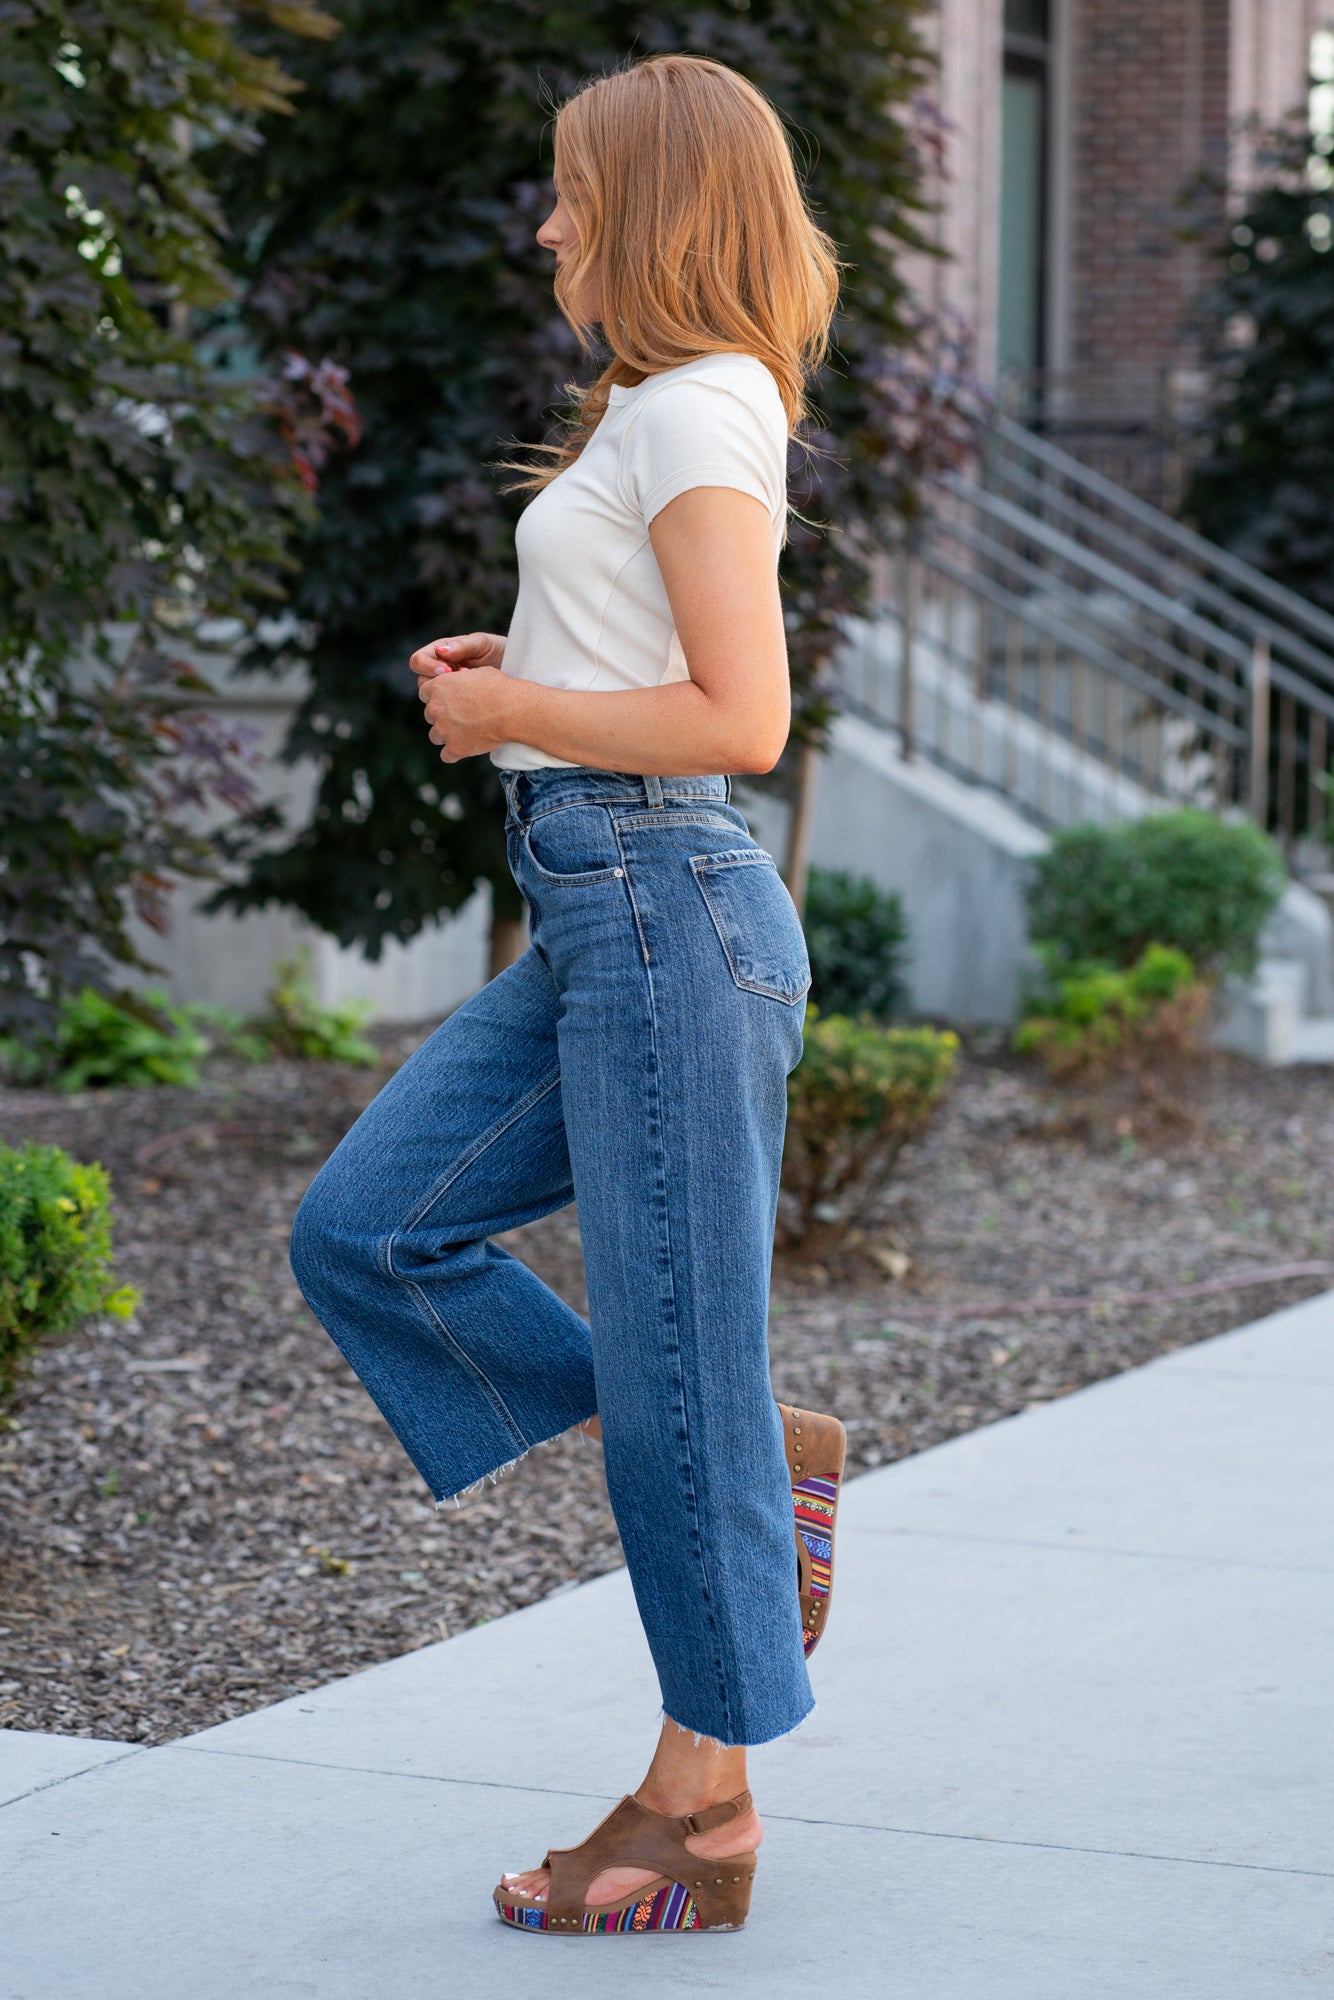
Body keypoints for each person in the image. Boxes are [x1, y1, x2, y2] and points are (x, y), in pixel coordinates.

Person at [289, 51, 849, 1938]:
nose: (546, 228)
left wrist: (517, 710)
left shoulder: (700, 409)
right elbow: (657, 668)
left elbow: (742, 721)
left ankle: (705, 1811)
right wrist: (527, 671)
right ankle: (738, 1452)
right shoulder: (662, 410)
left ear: (654, 210)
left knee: (676, 1380)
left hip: (663, 906)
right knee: (370, 1232)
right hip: (604, 904)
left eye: (572, 195)